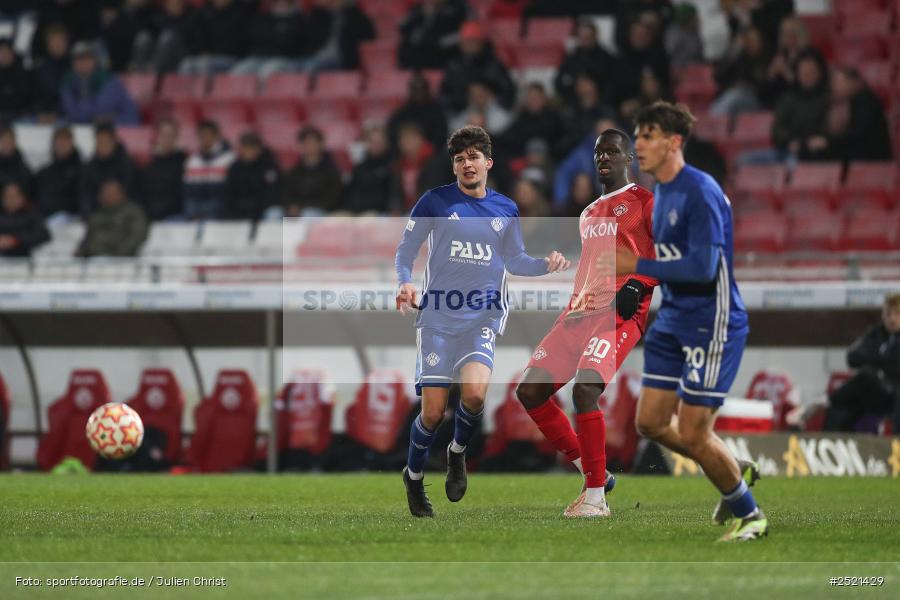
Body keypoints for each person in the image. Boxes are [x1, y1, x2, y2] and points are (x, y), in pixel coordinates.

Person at [395, 125, 570, 517]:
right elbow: (405, 249)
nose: (466, 164)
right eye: (459, 159)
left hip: (482, 318)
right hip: (438, 318)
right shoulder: (435, 201)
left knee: (474, 396)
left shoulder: (505, 209)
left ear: (487, 163)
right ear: (454, 166)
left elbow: (514, 260)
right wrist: (405, 283)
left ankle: (457, 454)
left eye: (473, 157)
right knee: (433, 412)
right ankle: (414, 476)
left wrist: (545, 265)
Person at [616, 101, 767, 541]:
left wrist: (638, 263)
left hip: (710, 321)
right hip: (674, 318)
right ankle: (730, 469)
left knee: (693, 431)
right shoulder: (662, 190)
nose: (638, 143)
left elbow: (703, 268)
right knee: (650, 423)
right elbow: (671, 258)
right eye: (637, 134)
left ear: (674, 142)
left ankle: (750, 514)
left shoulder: (699, 191)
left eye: (648, 135)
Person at [516, 130, 655, 518]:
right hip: (578, 311)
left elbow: (665, 255)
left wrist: (639, 286)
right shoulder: (588, 212)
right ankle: (593, 470)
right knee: (529, 392)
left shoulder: (645, 203)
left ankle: (596, 499)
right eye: (598, 152)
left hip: (618, 313)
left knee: (585, 390)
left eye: (612, 150)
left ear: (629, 157)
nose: (603, 157)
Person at [824, 293, 900, 434]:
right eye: (888, 314)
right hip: (879, 390)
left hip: (895, 391)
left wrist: (875, 359)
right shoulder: (876, 333)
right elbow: (853, 357)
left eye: (897, 314)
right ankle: (833, 436)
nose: (892, 319)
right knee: (864, 379)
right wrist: (884, 359)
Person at [60, 40, 140, 125]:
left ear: (94, 60)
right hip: (83, 126)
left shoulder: (109, 80)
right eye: (79, 59)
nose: (83, 63)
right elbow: (73, 112)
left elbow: (103, 108)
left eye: (87, 58)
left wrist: (108, 118)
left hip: (117, 126)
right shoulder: (68, 82)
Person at [77, 179, 148, 257]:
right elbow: (88, 237)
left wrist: (119, 254)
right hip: (94, 258)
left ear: (121, 194)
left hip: (120, 260)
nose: (106, 196)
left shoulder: (132, 213)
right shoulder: (98, 214)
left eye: (111, 194)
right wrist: (81, 252)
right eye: (104, 193)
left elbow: (136, 236)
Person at [281, 126, 342, 216]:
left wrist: (303, 207)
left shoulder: (331, 170)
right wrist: (291, 206)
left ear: (321, 144)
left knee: (309, 214)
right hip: (297, 210)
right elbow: (287, 194)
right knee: (275, 214)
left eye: (312, 143)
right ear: (300, 146)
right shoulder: (294, 171)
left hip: (322, 210)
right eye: (305, 143)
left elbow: (333, 197)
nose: (309, 147)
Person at [80, 122, 137, 216]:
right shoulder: (89, 168)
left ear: (113, 141)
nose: (103, 145)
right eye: (99, 141)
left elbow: (133, 194)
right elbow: (84, 197)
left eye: (106, 141)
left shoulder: (127, 165)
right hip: (97, 217)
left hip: (123, 216)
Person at [224, 131, 281, 221]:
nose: (247, 151)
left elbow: (273, 194)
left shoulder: (269, 167)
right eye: (244, 147)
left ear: (258, 149)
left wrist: (256, 206)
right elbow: (229, 193)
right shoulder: (235, 168)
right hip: (240, 209)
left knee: (274, 212)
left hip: (262, 209)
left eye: (250, 147)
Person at [183, 119, 234, 220]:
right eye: (201, 136)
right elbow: (188, 191)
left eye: (207, 135)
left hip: (219, 211)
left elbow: (228, 193)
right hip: (195, 210)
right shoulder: (192, 161)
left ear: (217, 136)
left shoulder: (229, 159)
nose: (204, 139)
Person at [139, 118, 186, 221]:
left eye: (170, 135)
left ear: (176, 137)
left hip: (175, 216)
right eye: (163, 135)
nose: (167, 139)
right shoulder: (150, 166)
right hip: (151, 215)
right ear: (157, 137)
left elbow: (181, 196)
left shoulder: (185, 163)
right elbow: (144, 194)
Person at [36, 126, 82, 223]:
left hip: (74, 219)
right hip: (46, 219)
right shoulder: (44, 173)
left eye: (66, 140)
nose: (62, 144)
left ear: (72, 143)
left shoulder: (83, 171)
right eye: (59, 141)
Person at [0, 182, 50, 257]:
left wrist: (15, 240)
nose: (10, 200)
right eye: (7, 197)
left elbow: (43, 235)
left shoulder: (31, 215)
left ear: (22, 198)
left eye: (14, 197)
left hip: (24, 258)